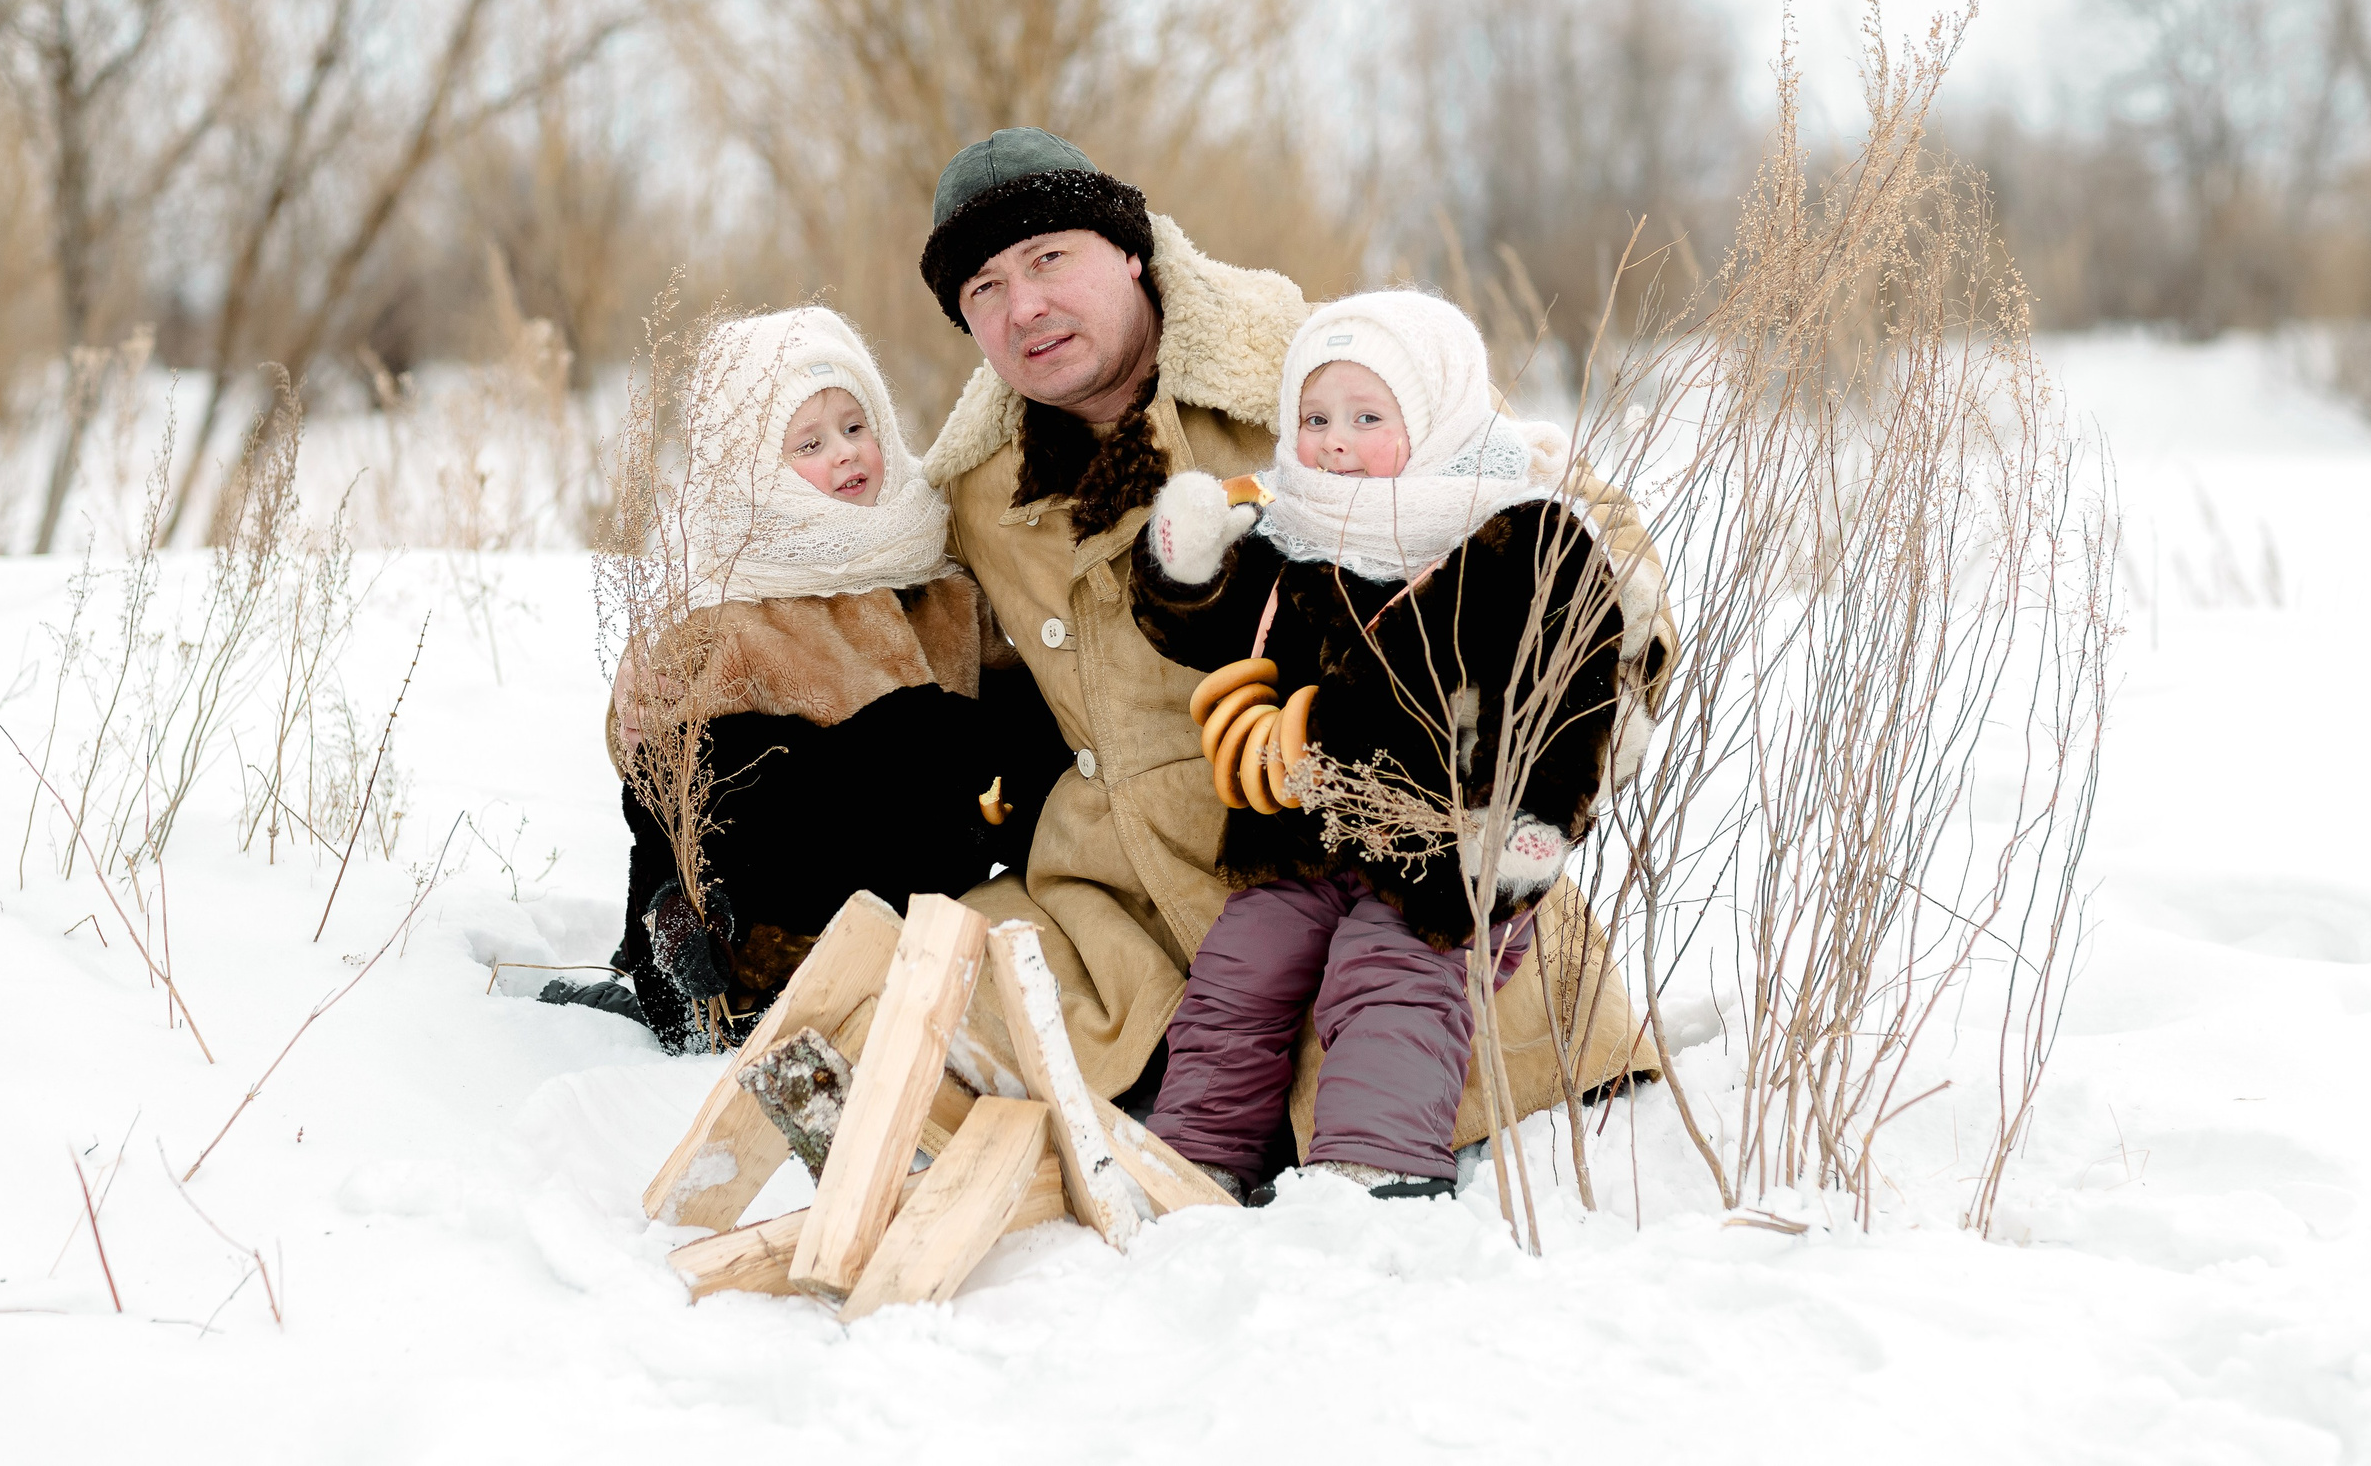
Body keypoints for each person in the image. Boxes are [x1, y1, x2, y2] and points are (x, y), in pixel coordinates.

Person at [917, 128, 1674, 1164]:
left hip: (1395, 858)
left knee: (1389, 1077)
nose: (1025, 308)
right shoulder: (971, 487)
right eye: (984, 290)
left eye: (1051, 259)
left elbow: (1578, 538)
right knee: (905, 995)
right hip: (1129, 913)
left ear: (1128, 251)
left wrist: (1496, 744)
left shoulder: (1319, 365)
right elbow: (894, 659)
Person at [1126, 291, 1654, 1201]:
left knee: (1394, 967)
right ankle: (1198, 1152)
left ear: (1436, 416)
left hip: (1443, 836)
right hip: (1299, 827)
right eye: (1316, 417)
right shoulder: (1293, 532)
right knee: (1240, 965)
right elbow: (1209, 631)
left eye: (1368, 418)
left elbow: (1574, 697)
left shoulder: (1517, 535)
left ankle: (1376, 1162)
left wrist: (1530, 826)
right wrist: (1187, 567)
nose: (1335, 440)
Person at [550, 305, 1065, 1051]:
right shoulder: (732, 606)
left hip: (917, 902)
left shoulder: (937, 573)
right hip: (765, 932)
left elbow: (1015, 714)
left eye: (857, 427)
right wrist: (679, 895)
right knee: (761, 752)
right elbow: (668, 783)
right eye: (809, 443)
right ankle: (680, 951)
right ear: (751, 469)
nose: (846, 454)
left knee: (955, 738)